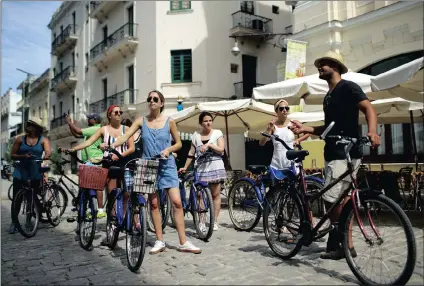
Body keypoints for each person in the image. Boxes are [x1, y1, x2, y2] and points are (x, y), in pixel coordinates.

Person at [289, 51, 380, 260]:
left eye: (325, 64)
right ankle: (342, 242)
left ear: (336, 67)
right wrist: (307, 128)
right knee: (337, 201)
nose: (320, 67)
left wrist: (373, 131)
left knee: (337, 201)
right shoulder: (328, 97)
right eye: (319, 64)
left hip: (347, 152)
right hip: (333, 152)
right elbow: (329, 128)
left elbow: (369, 109)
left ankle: (342, 242)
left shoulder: (348, 87)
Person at [109, 90, 201, 254]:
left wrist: (168, 149)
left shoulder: (169, 121)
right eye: (149, 98)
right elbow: (126, 136)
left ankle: (183, 241)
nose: (151, 101)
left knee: (177, 202)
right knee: (153, 203)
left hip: (167, 164)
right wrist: (112, 145)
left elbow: (179, 144)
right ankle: (159, 240)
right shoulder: (140, 121)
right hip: (147, 164)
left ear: (161, 103)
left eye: (155, 98)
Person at [63, 105, 135, 220]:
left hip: (124, 162)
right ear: (109, 115)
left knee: (127, 193)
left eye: (120, 112)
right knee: (112, 194)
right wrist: (74, 149)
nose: (119, 114)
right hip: (109, 164)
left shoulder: (126, 129)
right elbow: (89, 142)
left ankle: (128, 217)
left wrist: (118, 156)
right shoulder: (103, 129)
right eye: (116, 112)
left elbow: (131, 148)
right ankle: (112, 220)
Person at [179, 111, 226, 231]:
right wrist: (185, 166)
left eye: (210, 120)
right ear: (201, 123)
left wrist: (210, 145)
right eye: (205, 121)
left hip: (215, 166)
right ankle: (202, 221)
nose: (208, 123)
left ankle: (214, 221)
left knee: (215, 195)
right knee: (200, 195)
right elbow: (191, 153)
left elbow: (221, 150)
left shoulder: (217, 133)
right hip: (201, 168)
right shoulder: (195, 135)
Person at [9, 117, 51, 234]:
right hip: (20, 171)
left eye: (30, 124)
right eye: (27, 124)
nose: (27, 126)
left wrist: (47, 155)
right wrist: (23, 156)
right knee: (17, 199)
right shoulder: (20, 139)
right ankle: (14, 223)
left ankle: (28, 220)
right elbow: (12, 155)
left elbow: (48, 150)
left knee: (30, 197)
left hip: (34, 171)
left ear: (36, 128)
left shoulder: (43, 140)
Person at [65, 112, 105, 218]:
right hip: (89, 161)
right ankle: (93, 208)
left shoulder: (95, 129)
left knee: (92, 186)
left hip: (95, 160)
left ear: (95, 120)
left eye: (89, 118)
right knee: (94, 186)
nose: (87, 120)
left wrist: (69, 122)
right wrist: (70, 125)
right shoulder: (92, 131)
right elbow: (77, 135)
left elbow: (78, 131)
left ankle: (95, 209)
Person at [259, 99, 310, 170]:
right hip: (277, 163)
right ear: (276, 111)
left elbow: (308, 132)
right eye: (281, 108)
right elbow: (261, 143)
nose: (285, 110)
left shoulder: (293, 123)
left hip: (291, 161)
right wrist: (268, 129)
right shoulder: (273, 126)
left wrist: (298, 140)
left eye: (287, 108)